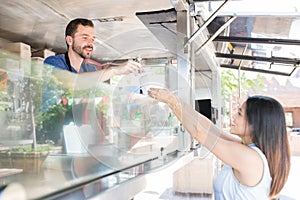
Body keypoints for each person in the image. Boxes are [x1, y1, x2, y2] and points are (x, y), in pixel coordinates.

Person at [148, 88, 290, 199]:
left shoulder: (249, 157)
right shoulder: (247, 149)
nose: (233, 116)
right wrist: (174, 100)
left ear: (256, 124)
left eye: (239, 113)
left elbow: (199, 132)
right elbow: (209, 128)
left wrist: (172, 101)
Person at [44, 18, 143, 82]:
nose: (90, 43)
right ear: (69, 40)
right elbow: (73, 83)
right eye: (84, 37)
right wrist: (114, 71)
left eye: (92, 39)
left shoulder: (91, 69)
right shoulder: (53, 63)